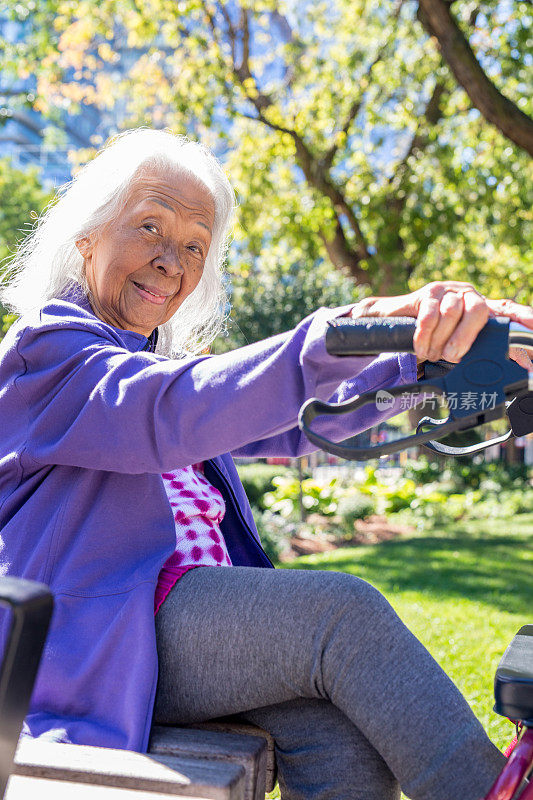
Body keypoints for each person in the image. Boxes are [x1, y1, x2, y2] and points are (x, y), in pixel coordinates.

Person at [0, 128, 530, 800]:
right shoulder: (45, 356)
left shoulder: (152, 368)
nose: (171, 260)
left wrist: (420, 362)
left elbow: (301, 427)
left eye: (194, 245)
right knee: (340, 615)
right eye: (149, 227)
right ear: (88, 237)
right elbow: (173, 413)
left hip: (169, 627)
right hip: (98, 635)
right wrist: (344, 329)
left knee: (331, 732)